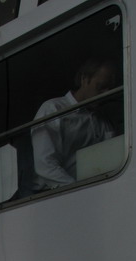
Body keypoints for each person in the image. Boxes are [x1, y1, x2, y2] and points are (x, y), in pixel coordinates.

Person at [31, 58, 117, 192]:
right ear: (84, 79)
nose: (106, 93)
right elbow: (45, 165)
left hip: (92, 190)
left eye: (109, 89)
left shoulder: (101, 120)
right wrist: (77, 189)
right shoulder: (53, 109)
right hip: (55, 193)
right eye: (100, 87)